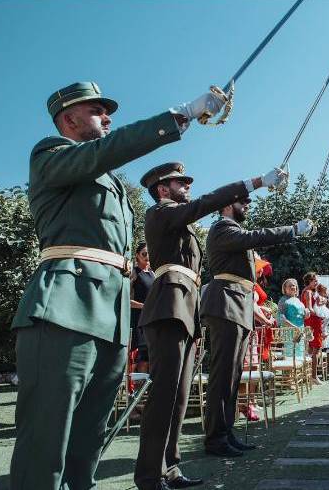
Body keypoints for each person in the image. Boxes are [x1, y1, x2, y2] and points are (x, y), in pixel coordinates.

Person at [10, 81, 224, 490]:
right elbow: (103, 153)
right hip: (64, 304)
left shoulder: (102, 177)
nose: (107, 118)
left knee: (91, 432)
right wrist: (179, 116)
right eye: (96, 111)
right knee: (47, 434)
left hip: (110, 312)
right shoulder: (49, 153)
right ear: (68, 118)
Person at [134, 162, 287, 490]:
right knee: (164, 395)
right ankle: (149, 476)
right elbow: (205, 203)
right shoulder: (160, 213)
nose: (186, 187)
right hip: (168, 306)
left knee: (178, 396)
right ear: (163, 189)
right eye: (180, 184)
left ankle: (170, 468)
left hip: (185, 308)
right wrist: (254, 180)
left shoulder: (179, 222)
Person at [200, 192, 312, 457]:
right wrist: (292, 230)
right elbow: (255, 237)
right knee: (223, 376)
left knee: (232, 376)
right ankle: (215, 438)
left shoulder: (232, 230)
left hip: (236, 303)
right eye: (243, 203)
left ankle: (226, 433)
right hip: (226, 302)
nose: (247, 207)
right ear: (227, 205)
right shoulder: (222, 227)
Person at [131, 242, 154, 376]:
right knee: (135, 359)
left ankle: (143, 394)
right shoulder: (134, 273)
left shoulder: (153, 274)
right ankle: (131, 394)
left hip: (150, 321)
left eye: (149, 253)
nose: (147, 256)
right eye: (144, 254)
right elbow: (125, 300)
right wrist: (144, 306)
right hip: (136, 321)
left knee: (147, 359)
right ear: (137, 256)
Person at [302, 272, 325, 385]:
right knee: (315, 350)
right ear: (309, 281)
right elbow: (309, 308)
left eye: (317, 280)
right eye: (314, 280)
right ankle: (314, 377)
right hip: (312, 322)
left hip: (311, 322)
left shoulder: (309, 291)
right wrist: (321, 314)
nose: (316, 283)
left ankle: (310, 377)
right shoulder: (308, 292)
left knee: (311, 350)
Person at [279, 278, 308, 358]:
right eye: (289, 286)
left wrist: (306, 314)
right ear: (285, 288)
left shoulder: (298, 300)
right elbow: (282, 318)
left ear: (296, 288)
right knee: (290, 354)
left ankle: (299, 370)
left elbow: (302, 317)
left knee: (300, 353)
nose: (292, 287)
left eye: (294, 285)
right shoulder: (283, 300)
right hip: (289, 331)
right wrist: (294, 327)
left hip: (300, 330)